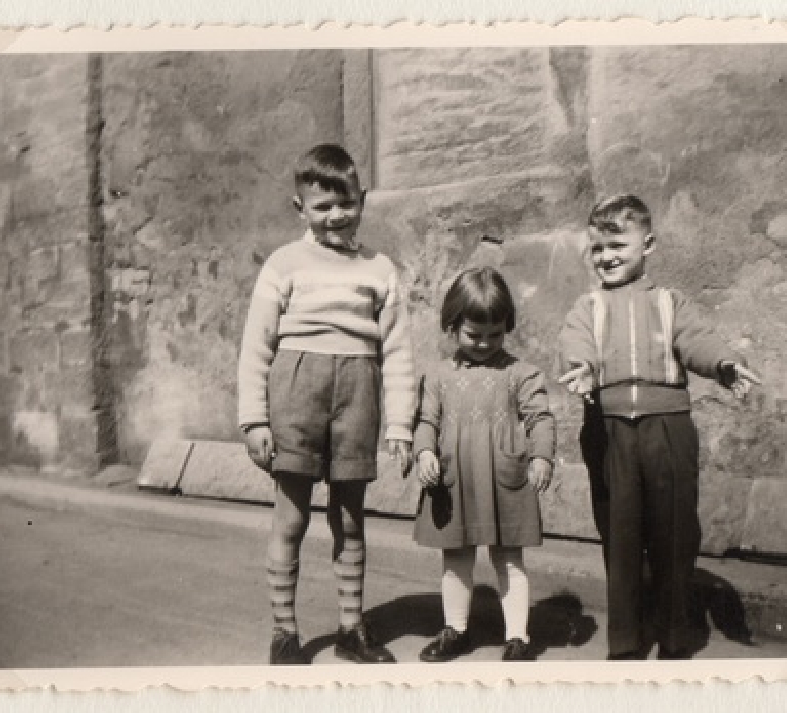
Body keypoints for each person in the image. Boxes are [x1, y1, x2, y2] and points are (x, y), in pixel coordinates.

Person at [558, 194, 761, 660]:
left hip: (668, 430)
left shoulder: (671, 303)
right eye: (597, 248)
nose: (606, 256)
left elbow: (697, 340)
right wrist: (582, 367)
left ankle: (675, 637)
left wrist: (724, 364)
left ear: (647, 245)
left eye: (618, 246)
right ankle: (626, 641)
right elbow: (575, 341)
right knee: (621, 537)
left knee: (674, 534)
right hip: (609, 431)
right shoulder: (588, 307)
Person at [237, 144, 416, 665]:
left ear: (363, 199)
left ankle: (351, 628)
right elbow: (256, 346)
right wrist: (253, 420)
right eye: (322, 206)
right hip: (296, 395)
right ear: (301, 209)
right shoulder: (283, 264)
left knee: (351, 519)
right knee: (290, 518)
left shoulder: (379, 269)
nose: (337, 215)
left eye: (347, 203)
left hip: (358, 394)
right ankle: (284, 632)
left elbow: (398, 352)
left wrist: (400, 425)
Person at [412, 267, 556, 663]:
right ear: (452, 324)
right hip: (454, 480)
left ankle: (518, 637)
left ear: (506, 326)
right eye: (473, 334)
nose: (484, 344)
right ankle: (455, 629)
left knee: (508, 557)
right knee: (456, 557)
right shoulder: (438, 376)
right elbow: (426, 422)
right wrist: (424, 452)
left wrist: (541, 455)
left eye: (495, 334)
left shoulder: (520, 374)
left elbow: (540, 418)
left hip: (502, 479)